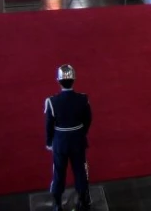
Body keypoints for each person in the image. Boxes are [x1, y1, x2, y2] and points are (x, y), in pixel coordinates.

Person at [45, 64, 93, 211]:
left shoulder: (52, 101)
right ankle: (83, 201)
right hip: (78, 140)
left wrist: (49, 142)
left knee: (59, 171)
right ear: (74, 80)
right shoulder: (83, 99)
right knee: (80, 170)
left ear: (59, 81)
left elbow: (49, 124)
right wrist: (81, 133)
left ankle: (57, 204)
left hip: (60, 141)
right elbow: (88, 119)